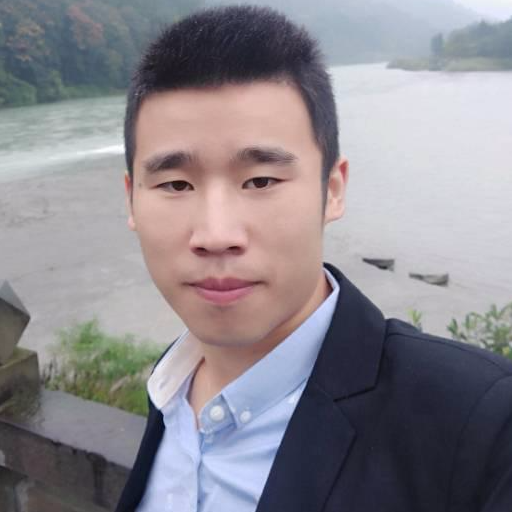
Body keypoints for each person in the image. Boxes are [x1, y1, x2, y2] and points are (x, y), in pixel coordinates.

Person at [115, 5, 512, 512]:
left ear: (333, 189)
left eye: (261, 180)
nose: (216, 235)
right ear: (131, 199)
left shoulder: (481, 424)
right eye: (175, 184)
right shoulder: (172, 384)